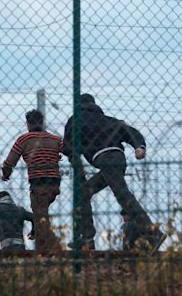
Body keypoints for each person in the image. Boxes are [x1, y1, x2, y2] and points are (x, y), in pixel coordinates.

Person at [62, 93, 166, 253]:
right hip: (118, 158)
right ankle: (87, 240)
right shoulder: (109, 120)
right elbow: (132, 132)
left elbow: (68, 145)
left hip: (105, 158)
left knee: (123, 195)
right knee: (83, 193)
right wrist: (139, 147)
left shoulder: (75, 119)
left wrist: (69, 153)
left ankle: (153, 233)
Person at [1, 109, 62, 252]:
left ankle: (57, 250)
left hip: (39, 184)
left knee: (41, 219)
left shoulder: (24, 139)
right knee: (40, 215)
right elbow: (65, 150)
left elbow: (10, 161)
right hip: (54, 184)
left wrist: (6, 174)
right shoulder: (55, 139)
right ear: (42, 122)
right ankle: (42, 251)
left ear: (28, 123)